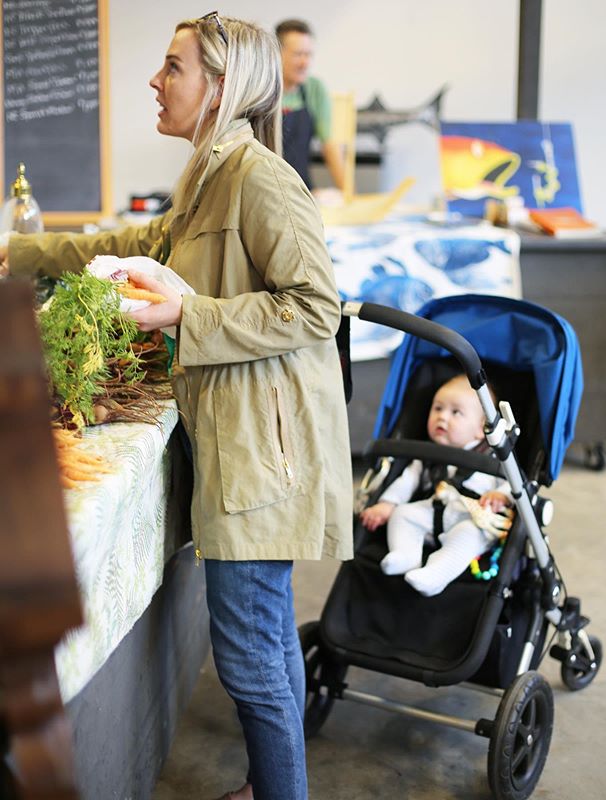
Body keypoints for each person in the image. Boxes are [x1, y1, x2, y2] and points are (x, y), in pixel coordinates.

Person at [0, 13, 353, 800]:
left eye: (172, 68)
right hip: (240, 439)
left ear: (220, 86)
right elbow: (138, 241)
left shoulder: (260, 177)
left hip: (263, 453)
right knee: (264, 642)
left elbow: (317, 307)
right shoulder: (208, 174)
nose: (155, 82)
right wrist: (18, 249)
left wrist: (186, 316)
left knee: (251, 655)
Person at [360, 374, 512, 596]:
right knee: (403, 514)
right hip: (434, 512)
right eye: (438, 408)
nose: (442, 417)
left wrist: (501, 496)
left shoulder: (493, 458)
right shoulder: (427, 455)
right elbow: (408, 481)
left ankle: (436, 574)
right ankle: (405, 554)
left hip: (473, 519)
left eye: (455, 412)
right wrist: (387, 504)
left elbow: (513, 483)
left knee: (469, 535)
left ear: (481, 428)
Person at [275, 19, 344, 191]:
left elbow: (329, 145)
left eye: (309, 55)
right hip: (266, 190)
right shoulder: (261, 90)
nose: (305, 63)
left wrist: (348, 193)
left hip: (302, 190)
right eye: (298, 54)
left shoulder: (315, 89)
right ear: (276, 53)